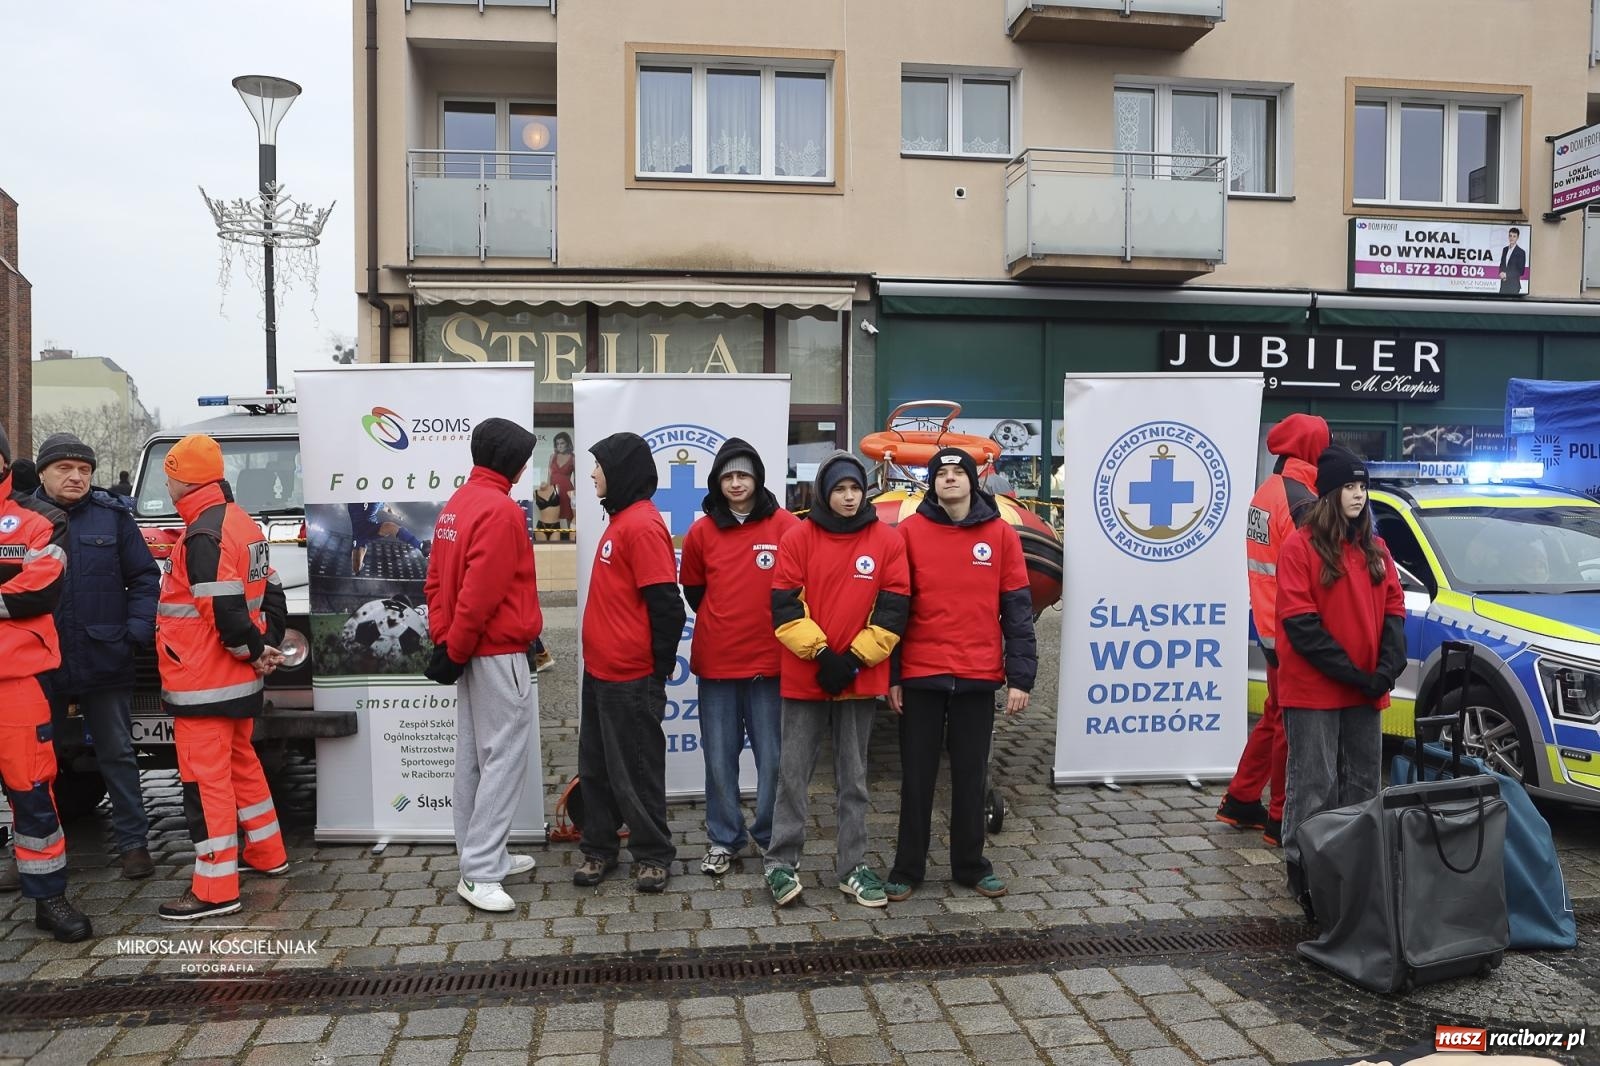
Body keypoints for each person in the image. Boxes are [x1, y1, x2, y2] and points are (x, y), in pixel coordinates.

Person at [884, 448, 1035, 902]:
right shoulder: (908, 532)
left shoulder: (1002, 535)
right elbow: (893, 608)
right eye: (941, 474)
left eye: (957, 472)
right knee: (917, 776)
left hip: (977, 674)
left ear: (973, 480)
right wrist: (892, 675)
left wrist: (1021, 677)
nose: (950, 479)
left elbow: (1018, 610)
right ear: (932, 484)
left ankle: (971, 866)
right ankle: (907, 867)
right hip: (921, 674)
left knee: (971, 774)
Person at [766, 451, 909, 909]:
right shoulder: (797, 537)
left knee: (855, 777)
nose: (849, 497)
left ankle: (852, 867)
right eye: (840, 489)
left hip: (859, 677)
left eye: (855, 489)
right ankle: (781, 861)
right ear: (825, 492)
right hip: (807, 675)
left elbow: (892, 610)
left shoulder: (887, 542)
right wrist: (823, 654)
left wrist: (852, 660)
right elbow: (786, 607)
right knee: (792, 774)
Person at [155, 433, 290, 921]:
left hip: (203, 683)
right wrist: (263, 648)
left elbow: (224, 613)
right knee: (242, 768)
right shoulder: (240, 522)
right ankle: (268, 853)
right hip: (234, 683)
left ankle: (215, 891)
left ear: (177, 480)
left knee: (205, 783)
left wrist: (252, 651)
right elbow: (270, 592)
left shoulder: (202, 534)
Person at [1275, 445, 1407, 915]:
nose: (1357, 495)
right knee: (1314, 783)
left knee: (1363, 780)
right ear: (1329, 493)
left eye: (1362, 486)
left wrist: (1387, 668)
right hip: (1315, 690)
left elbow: (1394, 607)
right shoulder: (1300, 547)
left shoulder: (1375, 546)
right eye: (1349, 486)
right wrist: (1354, 674)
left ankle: (1357, 864)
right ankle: (1305, 869)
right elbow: (1300, 623)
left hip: (1366, 688)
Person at [422, 418, 544, 914]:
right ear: (512, 462)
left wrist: (447, 641)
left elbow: (434, 580)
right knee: (503, 760)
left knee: (473, 757)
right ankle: (479, 871)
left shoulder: (460, 502)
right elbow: (482, 593)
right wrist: (456, 646)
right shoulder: (501, 510)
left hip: (471, 650)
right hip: (496, 652)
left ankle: (479, 854)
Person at [34, 433, 161, 880]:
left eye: (84, 470)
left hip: (105, 653)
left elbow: (145, 577)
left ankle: (134, 845)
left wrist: (136, 632)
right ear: (43, 472)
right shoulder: (21, 517)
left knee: (118, 754)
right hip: (39, 660)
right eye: (66, 469)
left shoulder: (113, 519)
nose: (76, 477)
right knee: (32, 760)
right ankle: (35, 852)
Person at [678, 438, 799, 877]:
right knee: (719, 759)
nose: (735, 483)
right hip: (717, 665)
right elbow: (694, 590)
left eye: (743, 475)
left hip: (770, 665)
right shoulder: (701, 532)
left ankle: (769, 836)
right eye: (727, 476)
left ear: (757, 479)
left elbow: (800, 589)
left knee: (773, 759)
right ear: (717, 481)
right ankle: (723, 838)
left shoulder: (786, 526)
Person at [575, 432, 684, 893]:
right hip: (600, 673)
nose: (593, 473)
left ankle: (653, 855)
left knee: (637, 770)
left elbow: (667, 606)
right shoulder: (620, 519)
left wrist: (655, 674)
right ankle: (599, 849)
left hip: (630, 677)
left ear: (620, 471)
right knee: (596, 769)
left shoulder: (641, 524)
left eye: (599, 465)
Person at [1217, 413, 1329, 848]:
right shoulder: (1304, 498)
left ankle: (1242, 799)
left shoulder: (1269, 489)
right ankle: (1280, 816)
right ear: (1315, 447)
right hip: (1292, 627)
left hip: (1268, 622)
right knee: (1289, 723)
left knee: (1275, 713)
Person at [0, 423, 93, 941]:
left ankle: (49, 899)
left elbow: (38, 593)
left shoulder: (41, 518)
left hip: (16, 683)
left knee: (33, 791)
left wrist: (14, 594)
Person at [347, 502, 429, 575]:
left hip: (372, 527)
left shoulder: (377, 501)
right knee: (356, 568)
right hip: (358, 533)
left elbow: (388, 509)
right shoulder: (355, 498)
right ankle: (361, 557)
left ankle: (420, 545)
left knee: (390, 526)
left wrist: (397, 515)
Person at [548, 431, 576, 539]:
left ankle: (572, 539)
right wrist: (548, 490)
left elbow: (577, 477)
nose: (560, 446)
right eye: (557, 444)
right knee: (554, 515)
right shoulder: (552, 457)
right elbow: (549, 475)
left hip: (568, 490)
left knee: (570, 516)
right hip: (554, 490)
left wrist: (576, 493)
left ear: (567, 443)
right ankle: (555, 540)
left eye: (562, 443)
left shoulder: (573, 458)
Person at [1498, 226, 1526, 296]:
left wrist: (1506, 275)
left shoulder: (1521, 252)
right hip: (1503, 284)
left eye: (1514, 236)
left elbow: (1521, 271)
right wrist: (1501, 273)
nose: (1512, 238)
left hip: (1514, 286)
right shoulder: (1505, 250)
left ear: (1517, 238)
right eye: (1510, 236)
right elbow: (1502, 264)